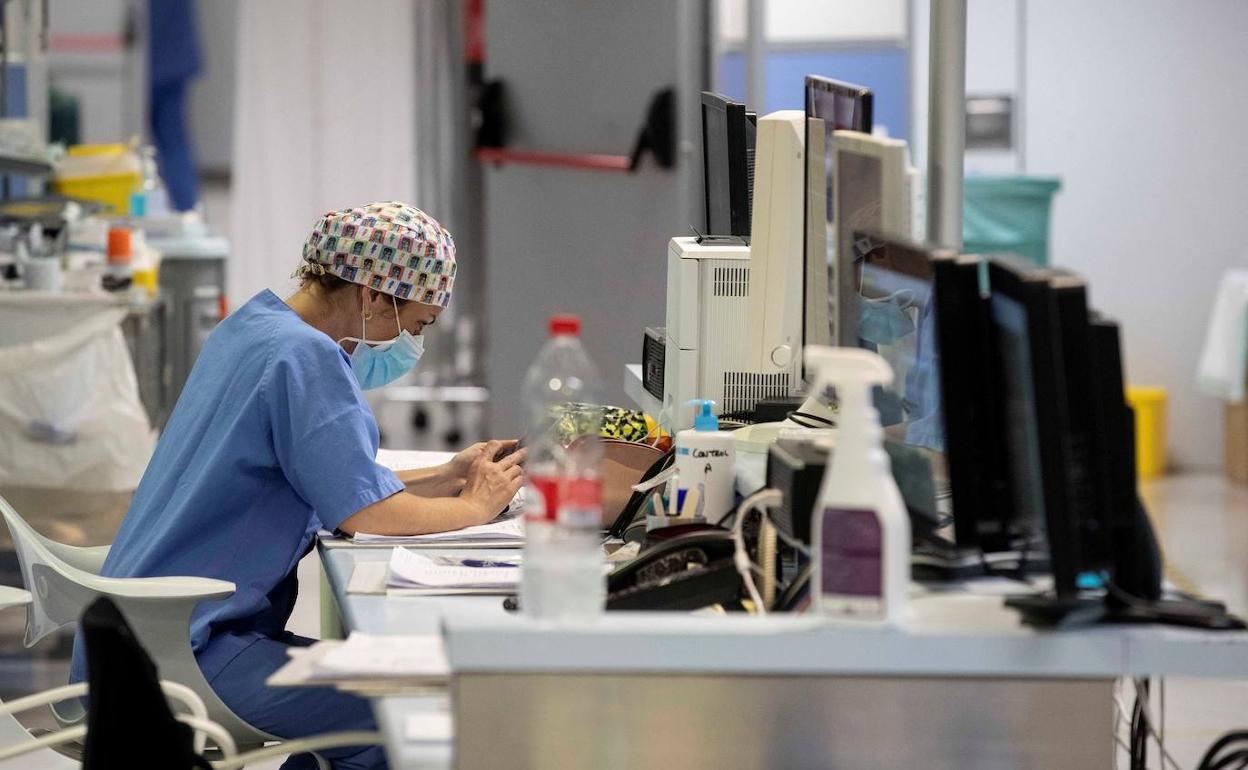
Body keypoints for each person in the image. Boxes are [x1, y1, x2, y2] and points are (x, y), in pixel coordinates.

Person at [70, 202, 522, 769]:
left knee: (387, 697)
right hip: (195, 648)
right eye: (415, 323)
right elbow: (368, 514)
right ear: (375, 296)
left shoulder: (255, 327)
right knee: (406, 710)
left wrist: (448, 474)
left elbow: (333, 476)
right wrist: (476, 508)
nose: (412, 341)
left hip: (148, 633)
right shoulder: (306, 357)